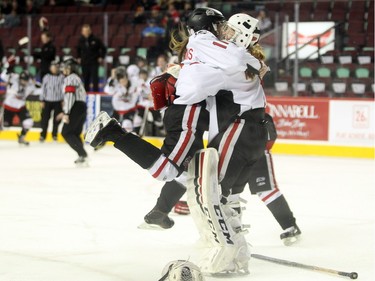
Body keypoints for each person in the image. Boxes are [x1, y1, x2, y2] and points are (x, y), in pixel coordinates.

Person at [1, 57, 38, 145]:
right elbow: (3, 75)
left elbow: (39, 89)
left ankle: (22, 138)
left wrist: (35, 83)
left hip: (21, 106)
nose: (23, 82)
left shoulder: (30, 84)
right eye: (22, 80)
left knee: (29, 122)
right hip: (9, 106)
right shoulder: (14, 78)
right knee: (5, 127)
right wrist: (8, 66)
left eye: (25, 80)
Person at [60, 59, 88, 165]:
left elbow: (70, 96)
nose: (64, 69)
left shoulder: (70, 79)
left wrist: (66, 112)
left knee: (66, 132)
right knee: (75, 133)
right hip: (81, 106)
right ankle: (82, 156)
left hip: (75, 107)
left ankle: (83, 154)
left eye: (66, 67)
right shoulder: (77, 78)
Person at [76, 24, 106, 92]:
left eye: (87, 31)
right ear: (82, 32)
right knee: (86, 79)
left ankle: (96, 93)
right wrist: (78, 57)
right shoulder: (80, 40)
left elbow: (103, 49)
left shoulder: (96, 39)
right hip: (84, 62)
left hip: (94, 62)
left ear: (90, 31)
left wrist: (101, 57)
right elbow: (78, 50)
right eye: (84, 31)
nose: (86, 32)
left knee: (95, 79)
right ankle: (86, 93)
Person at [39, 61, 64, 142]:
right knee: (45, 119)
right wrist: (42, 100)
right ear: (50, 68)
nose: (54, 69)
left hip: (58, 101)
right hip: (47, 101)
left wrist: (63, 100)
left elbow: (63, 89)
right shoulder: (46, 77)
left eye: (56, 67)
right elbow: (43, 89)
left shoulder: (61, 77)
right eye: (53, 67)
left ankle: (54, 135)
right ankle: (43, 135)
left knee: (56, 119)